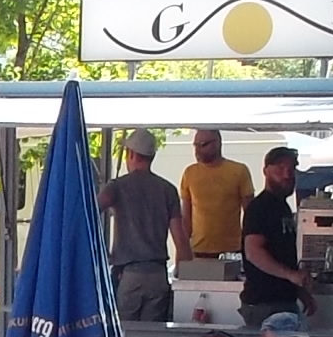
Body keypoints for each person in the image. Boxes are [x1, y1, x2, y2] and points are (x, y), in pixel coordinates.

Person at [97, 129, 188, 323]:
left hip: (128, 275)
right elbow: (181, 242)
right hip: (158, 276)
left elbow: (89, 213)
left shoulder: (117, 187)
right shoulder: (167, 189)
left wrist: (102, 253)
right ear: (152, 156)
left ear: (130, 154)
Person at [239, 146, 317, 322]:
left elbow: (284, 254)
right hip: (263, 302)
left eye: (291, 169)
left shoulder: (283, 207)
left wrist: (299, 290)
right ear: (266, 171)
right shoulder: (259, 207)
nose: (287, 175)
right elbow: (253, 252)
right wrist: (291, 275)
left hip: (283, 300)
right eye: (280, 168)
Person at [180, 128, 255, 260]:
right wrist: (182, 253)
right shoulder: (189, 173)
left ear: (217, 143)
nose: (197, 150)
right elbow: (186, 219)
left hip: (232, 251)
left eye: (202, 145)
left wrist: (249, 249)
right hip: (198, 250)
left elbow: (250, 215)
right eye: (195, 145)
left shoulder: (238, 171)